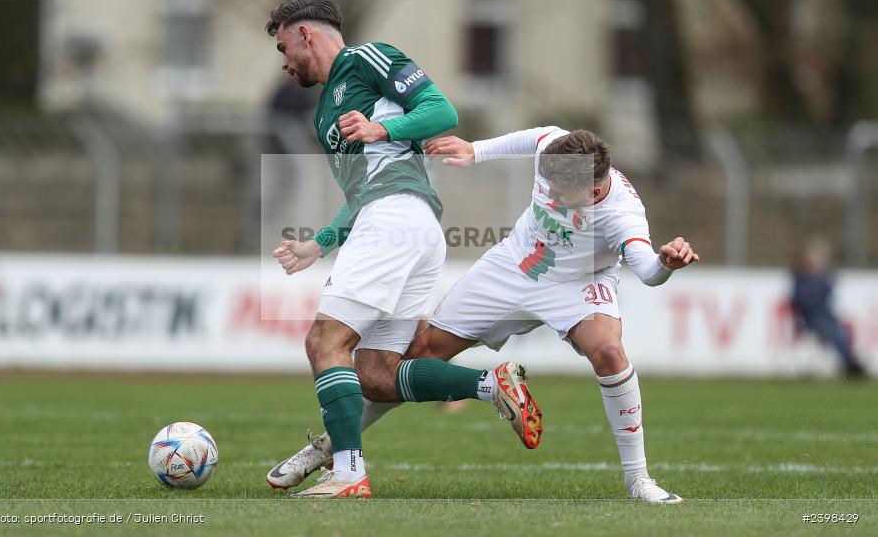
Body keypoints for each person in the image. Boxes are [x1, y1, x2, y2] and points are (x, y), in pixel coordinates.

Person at [274, 127, 699, 504]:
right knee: (417, 353)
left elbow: (646, 270)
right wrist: (475, 150)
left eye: (559, 194)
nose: (548, 195)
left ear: (592, 190)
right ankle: (334, 446)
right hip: (514, 266)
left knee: (608, 351)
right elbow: (529, 139)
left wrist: (666, 264)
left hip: (577, 283)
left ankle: (639, 479)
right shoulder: (557, 147)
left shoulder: (622, 213)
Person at [265, 0, 541, 498]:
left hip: (396, 220)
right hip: (399, 224)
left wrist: (382, 127)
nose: (284, 62)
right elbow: (357, 192)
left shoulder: (369, 58)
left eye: (284, 47)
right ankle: (489, 384)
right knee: (375, 375)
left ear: (306, 34)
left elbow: (442, 110)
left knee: (325, 344)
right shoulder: (323, 110)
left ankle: (348, 475)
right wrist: (321, 243)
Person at [790, 239, 865, 377]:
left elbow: (827, 294)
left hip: (826, 318)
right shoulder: (800, 279)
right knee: (838, 335)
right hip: (811, 320)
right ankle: (850, 364)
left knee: (844, 333)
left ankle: (850, 363)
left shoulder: (823, 279)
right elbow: (799, 301)